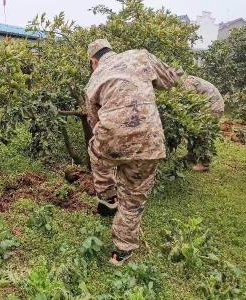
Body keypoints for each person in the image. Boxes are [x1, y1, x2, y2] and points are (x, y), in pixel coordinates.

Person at [85, 39, 179, 265]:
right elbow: (170, 80)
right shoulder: (140, 56)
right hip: (149, 142)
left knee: (95, 150)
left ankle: (107, 197)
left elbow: (93, 120)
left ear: (93, 61)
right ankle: (122, 251)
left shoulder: (93, 81)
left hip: (111, 140)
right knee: (134, 196)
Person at [179, 71, 225, 172]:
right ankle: (191, 157)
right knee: (194, 132)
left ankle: (204, 164)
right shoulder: (189, 80)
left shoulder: (186, 83)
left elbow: (192, 104)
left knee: (202, 133)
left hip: (213, 108)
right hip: (210, 106)